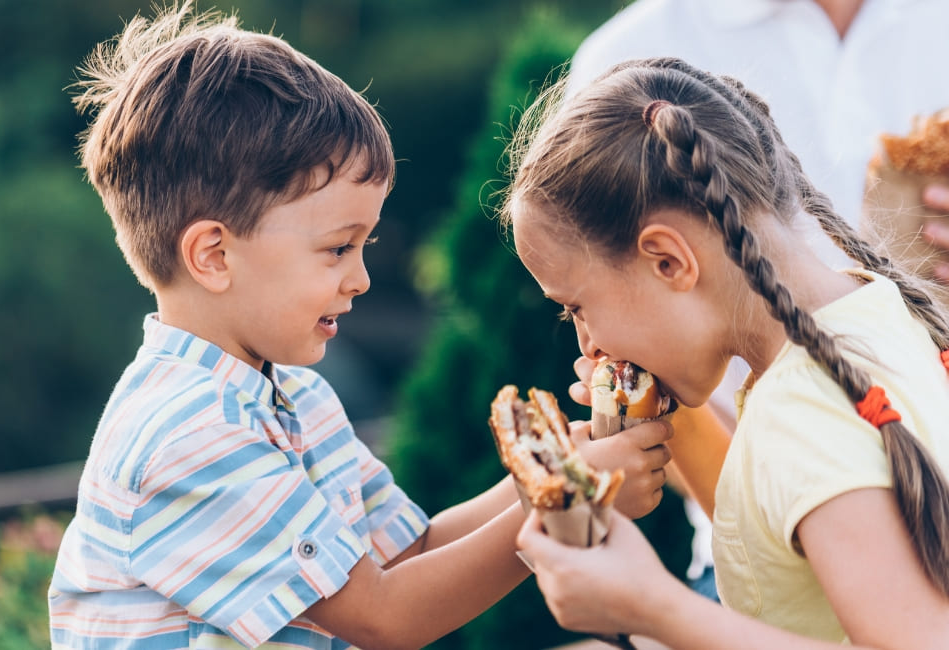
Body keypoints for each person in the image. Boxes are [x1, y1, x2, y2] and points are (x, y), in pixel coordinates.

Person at [46, 4, 674, 648]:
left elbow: (409, 553)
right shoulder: (188, 434)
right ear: (214, 256)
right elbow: (383, 617)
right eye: (338, 248)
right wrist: (571, 496)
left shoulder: (297, 397)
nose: (362, 279)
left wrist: (559, 468)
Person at [505, 57, 949, 647]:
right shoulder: (871, 313)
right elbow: (786, 526)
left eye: (576, 307)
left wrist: (654, 608)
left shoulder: (806, 416)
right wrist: (671, 420)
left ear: (668, 261)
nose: (588, 344)